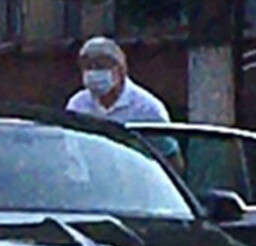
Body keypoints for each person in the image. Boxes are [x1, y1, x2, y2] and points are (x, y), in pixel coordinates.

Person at [65, 35, 184, 173]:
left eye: (100, 66)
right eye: (88, 67)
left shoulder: (147, 108)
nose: (93, 73)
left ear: (120, 70)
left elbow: (172, 160)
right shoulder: (77, 105)